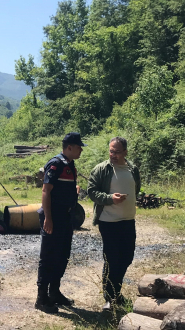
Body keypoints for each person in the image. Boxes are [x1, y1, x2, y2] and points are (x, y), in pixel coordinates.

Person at [88, 137, 140, 310]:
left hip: (128, 220)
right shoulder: (101, 169)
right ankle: (109, 298)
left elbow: (136, 189)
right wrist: (110, 198)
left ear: (125, 152)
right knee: (112, 260)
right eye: (111, 151)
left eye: (117, 152)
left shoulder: (133, 169)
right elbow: (92, 192)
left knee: (127, 257)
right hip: (108, 221)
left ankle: (116, 293)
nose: (113, 155)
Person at [35, 132, 85, 314]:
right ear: (69, 147)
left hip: (66, 217)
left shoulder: (70, 165)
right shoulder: (55, 164)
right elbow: (46, 191)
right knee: (48, 256)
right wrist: (48, 218)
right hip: (54, 217)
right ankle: (41, 299)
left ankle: (54, 292)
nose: (81, 150)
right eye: (78, 147)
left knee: (62, 255)